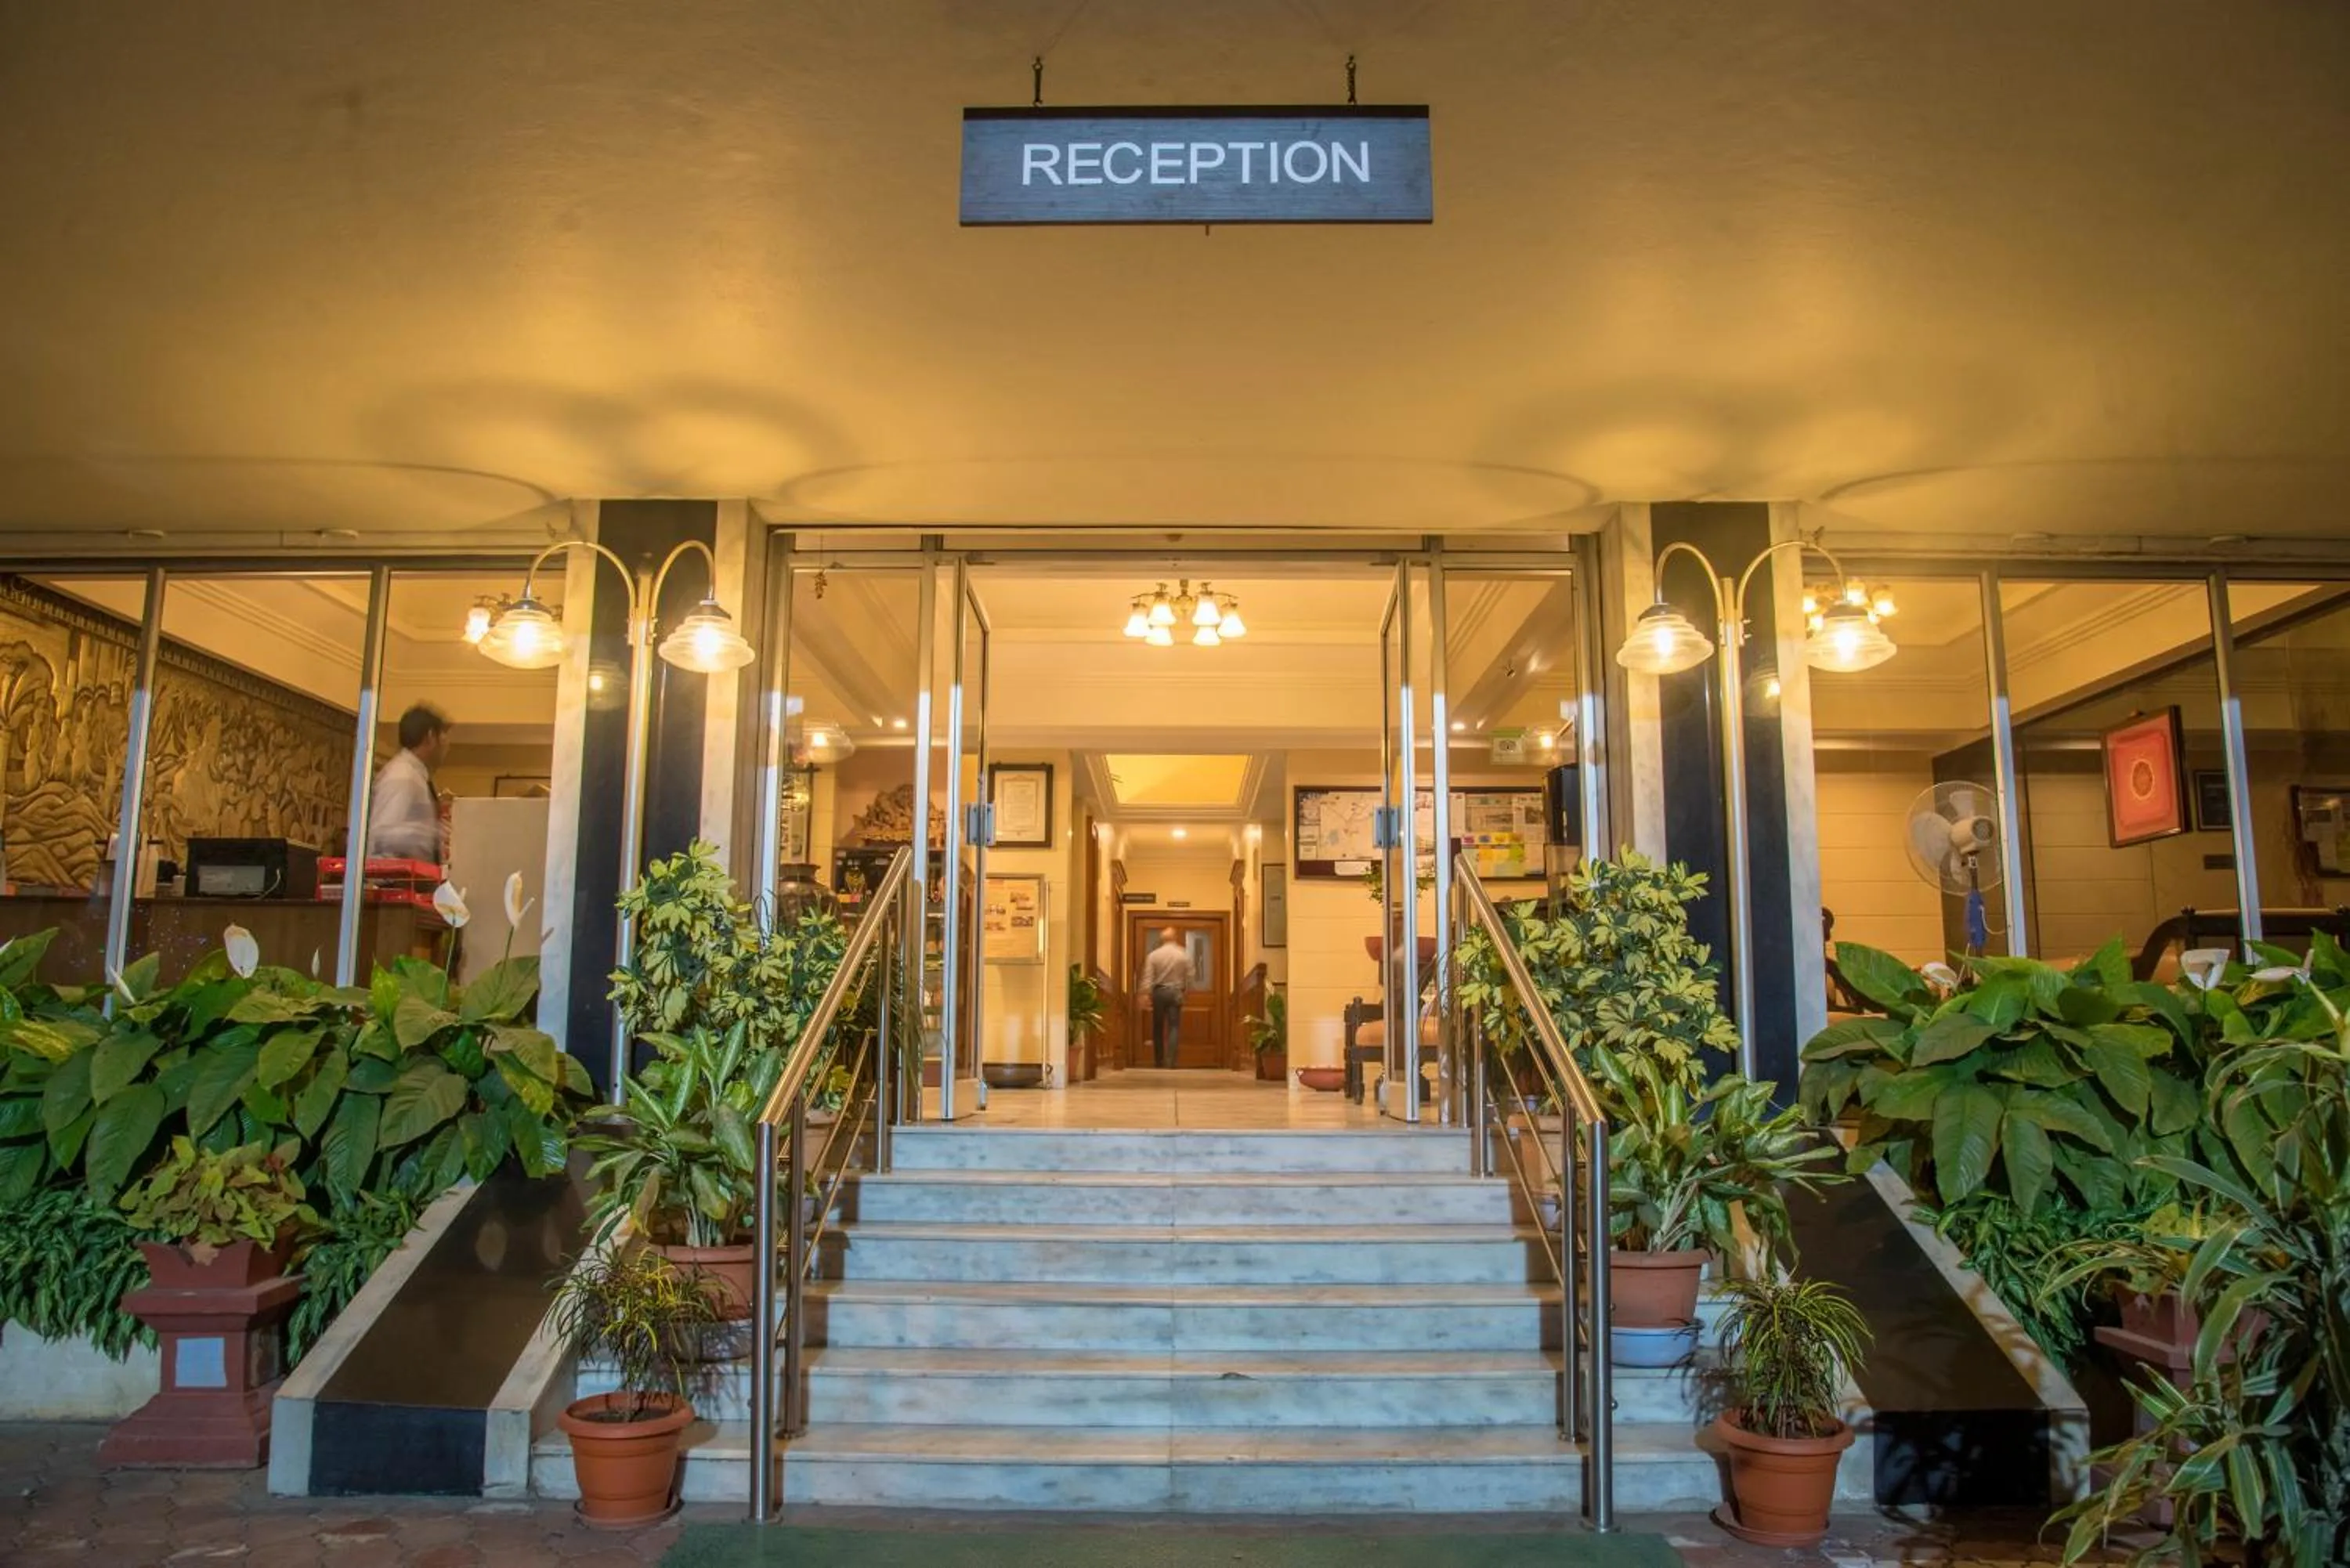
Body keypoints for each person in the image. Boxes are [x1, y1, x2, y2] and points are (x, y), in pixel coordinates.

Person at [367, 703, 450, 862]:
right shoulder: (402, 776)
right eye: (444, 735)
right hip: (394, 881)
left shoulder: (415, 776)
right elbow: (384, 835)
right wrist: (433, 833)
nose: (448, 745)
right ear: (431, 736)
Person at [1136, 927, 1195, 1070]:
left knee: (1158, 1027)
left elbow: (1148, 977)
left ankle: (1159, 1061)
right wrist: (1188, 991)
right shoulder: (1184, 954)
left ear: (1162, 939)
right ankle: (1171, 1062)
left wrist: (1144, 993)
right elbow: (1191, 975)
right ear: (1175, 937)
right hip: (1176, 992)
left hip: (1159, 992)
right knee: (1174, 1026)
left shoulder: (1154, 955)